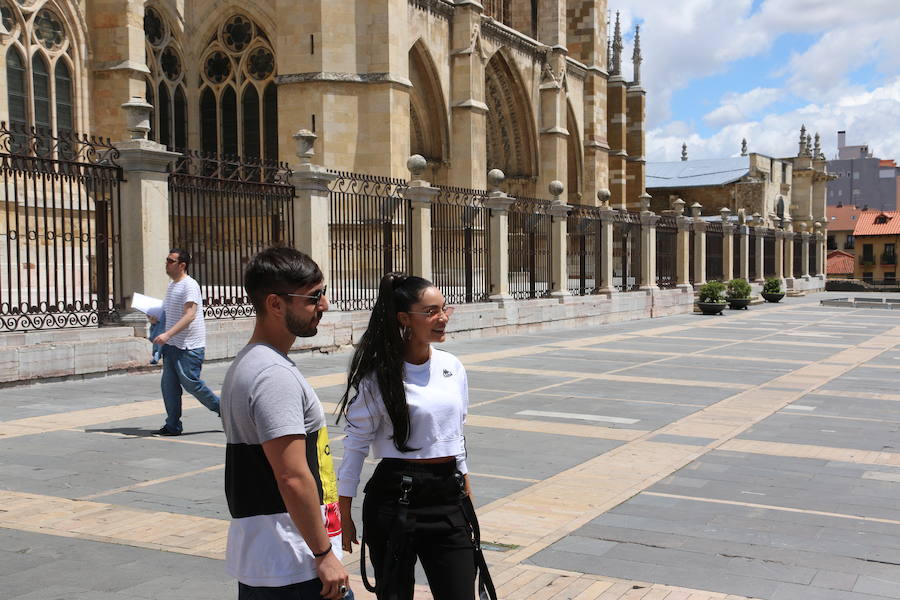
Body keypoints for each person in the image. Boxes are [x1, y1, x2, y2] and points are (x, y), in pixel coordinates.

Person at [336, 273, 495, 600]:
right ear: (404, 319)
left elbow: (455, 434)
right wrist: (344, 510)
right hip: (396, 498)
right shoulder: (379, 378)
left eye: (444, 309)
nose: (443, 318)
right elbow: (355, 446)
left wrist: (466, 493)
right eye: (431, 311)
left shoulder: (452, 367)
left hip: (447, 495)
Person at [220, 247, 351, 600]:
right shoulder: (272, 375)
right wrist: (324, 555)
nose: (323, 306)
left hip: (274, 559)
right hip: (293, 561)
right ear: (276, 304)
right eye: (313, 298)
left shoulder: (252, 363)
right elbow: (292, 475)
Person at [153, 249, 220, 436]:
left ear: (182, 265)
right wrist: (156, 320)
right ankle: (172, 425)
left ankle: (225, 410)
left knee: (193, 385)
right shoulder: (172, 285)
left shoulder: (189, 285)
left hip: (189, 347)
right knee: (169, 388)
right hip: (172, 346)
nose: (166, 263)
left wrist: (167, 334)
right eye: (166, 260)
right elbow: (170, 314)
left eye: (170, 261)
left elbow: (190, 315)